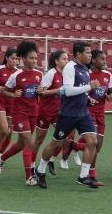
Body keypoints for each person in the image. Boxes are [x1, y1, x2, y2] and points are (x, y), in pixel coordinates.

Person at [35, 41, 101, 189]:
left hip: (83, 112)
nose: (91, 55)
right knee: (56, 143)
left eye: (91, 53)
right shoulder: (70, 67)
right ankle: (40, 170)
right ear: (78, 54)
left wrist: (87, 97)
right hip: (68, 114)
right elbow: (68, 90)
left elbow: (79, 89)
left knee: (92, 141)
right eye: (88, 53)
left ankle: (83, 176)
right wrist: (90, 87)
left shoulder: (84, 69)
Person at [0, 41, 43, 186]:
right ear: (23, 58)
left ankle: (2, 158)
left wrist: (41, 92)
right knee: (29, 143)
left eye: (36, 58)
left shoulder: (39, 74)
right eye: (31, 58)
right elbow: (3, 90)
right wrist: (13, 95)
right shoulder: (16, 75)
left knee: (20, 144)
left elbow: (40, 91)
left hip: (33, 112)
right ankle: (29, 177)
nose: (34, 61)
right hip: (20, 113)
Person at [34, 50, 67, 176]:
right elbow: (41, 92)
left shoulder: (66, 74)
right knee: (39, 140)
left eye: (67, 59)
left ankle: (51, 160)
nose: (67, 61)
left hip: (58, 112)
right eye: (64, 59)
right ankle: (32, 166)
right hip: (45, 112)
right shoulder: (50, 74)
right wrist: (58, 90)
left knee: (63, 138)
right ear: (56, 61)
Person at [87, 49, 112, 185]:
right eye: (102, 59)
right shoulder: (87, 74)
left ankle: (74, 146)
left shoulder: (108, 75)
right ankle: (90, 174)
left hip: (101, 114)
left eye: (105, 58)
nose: (105, 61)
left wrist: (109, 95)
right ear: (93, 60)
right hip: (88, 113)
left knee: (98, 147)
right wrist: (88, 97)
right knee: (94, 143)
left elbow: (109, 94)